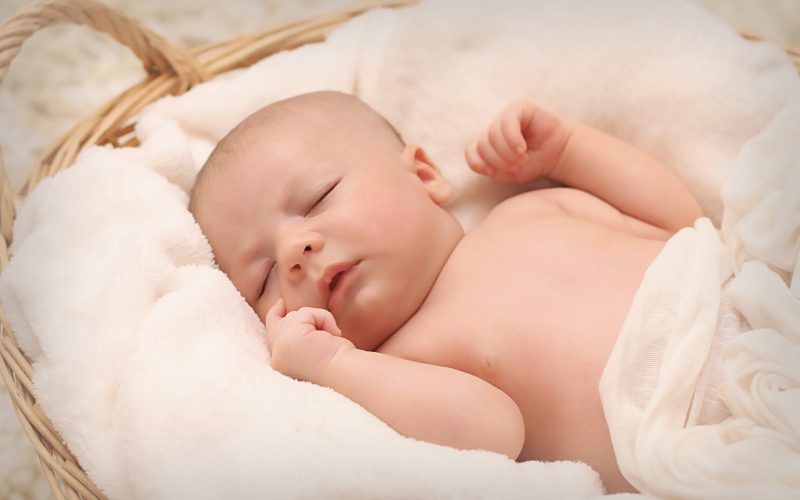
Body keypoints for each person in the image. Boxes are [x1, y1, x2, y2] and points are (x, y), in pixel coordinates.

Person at [189, 90, 703, 493]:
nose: (294, 251)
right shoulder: (400, 366)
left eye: (318, 198)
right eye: (263, 277)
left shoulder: (528, 209)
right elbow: (495, 432)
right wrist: (331, 365)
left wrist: (568, 149)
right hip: (705, 447)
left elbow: (680, 224)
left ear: (425, 174)